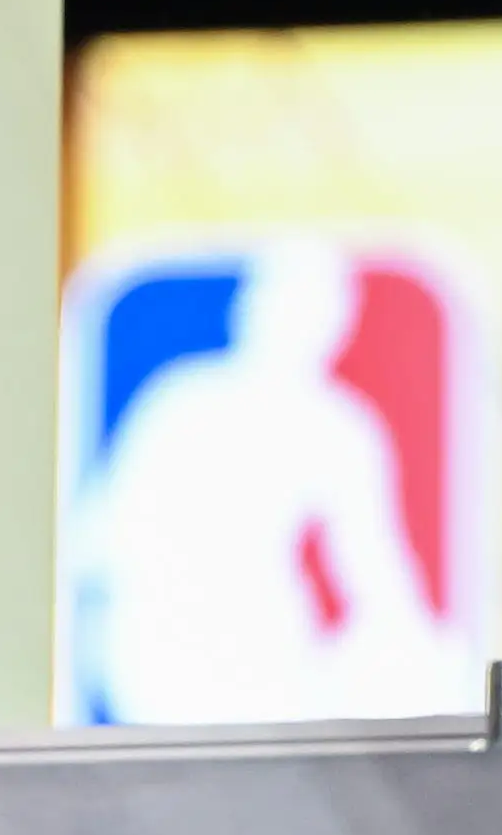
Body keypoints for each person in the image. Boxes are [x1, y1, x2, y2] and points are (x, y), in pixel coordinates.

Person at [76, 242, 475, 721]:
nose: (291, 324)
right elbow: (95, 539)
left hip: (261, 661)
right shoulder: (181, 401)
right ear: (249, 310)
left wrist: (423, 660)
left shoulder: (336, 427)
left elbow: (377, 575)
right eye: (281, 307)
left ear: (334, 329)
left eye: (310, 314)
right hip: (158, 659)